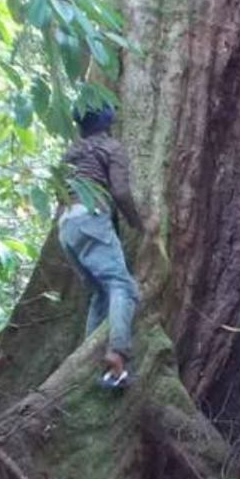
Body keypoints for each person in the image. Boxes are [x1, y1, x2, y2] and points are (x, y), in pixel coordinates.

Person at [57, 103, 152, 388]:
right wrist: (139, 223)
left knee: (100, 293)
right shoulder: (110, 147)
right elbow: (121, 191)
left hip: (66, 226)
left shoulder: (72, 152)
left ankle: (89, 366)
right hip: (91, 217)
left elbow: (59, 189)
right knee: (124, 288)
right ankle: (117, 356)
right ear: (108, 121)